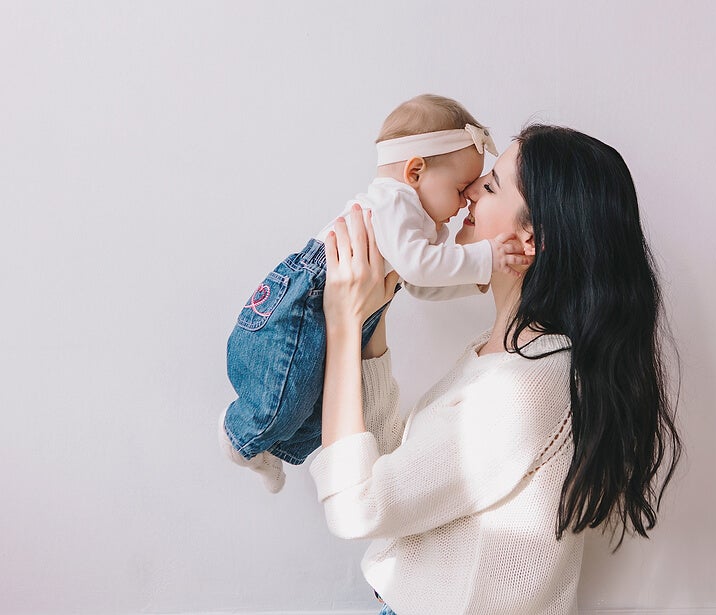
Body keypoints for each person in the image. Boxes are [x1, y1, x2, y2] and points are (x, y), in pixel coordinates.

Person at [310, 124, 683, 614]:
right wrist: (372, 320)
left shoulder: (530, 388)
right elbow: (390, 466)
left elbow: (358, 505)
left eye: (489, 187)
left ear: (532, 238)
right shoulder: (502, 357)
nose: (466, 193)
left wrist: (342, 326)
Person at [218, 95, 527, 492]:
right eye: (460, 186)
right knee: (287, 394)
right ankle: (240, 434)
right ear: (415, 171)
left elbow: (416, 282)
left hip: (347, 308)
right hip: (306, 296)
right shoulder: (393, 201)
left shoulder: (418, 222)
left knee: (314, 405)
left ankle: (270, 448)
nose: (466, 197)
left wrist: (475, 279)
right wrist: (483, 259)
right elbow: (418, 268)